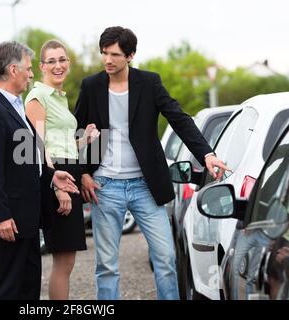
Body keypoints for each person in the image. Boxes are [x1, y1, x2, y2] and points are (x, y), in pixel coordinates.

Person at [74, 26, 229, 300]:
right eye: (104, 53)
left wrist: (206, 154)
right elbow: (76, 132)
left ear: (131, 55)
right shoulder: (91, 86)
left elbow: (179, 118)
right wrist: (83, 174)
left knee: (166, 259)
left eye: (115, 54)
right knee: (106, 266)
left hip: (146, 186)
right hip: (105, 186)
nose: (108, 60)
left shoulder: (149, 83)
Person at [0, 41, 79, 300]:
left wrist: (53, 176)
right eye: (29, 69)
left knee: (28, 289)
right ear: (12, 70)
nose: (32, 74)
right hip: (9, 221)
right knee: (6, 291)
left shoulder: (15, 106)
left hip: (27, 219)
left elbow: (26, 158)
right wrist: (1, 217)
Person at [24, 39, 100, 300]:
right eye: (52, 61)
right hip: (57, 178)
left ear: (69, 62)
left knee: (67, 261)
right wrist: (56, 186)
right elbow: (37, 146)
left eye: (62, 59)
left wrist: (84, 140)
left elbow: (63, 144)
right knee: (63, 262)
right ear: (42, 66)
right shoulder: (38, 97)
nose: (58, 65)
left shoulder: (59, 98)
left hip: (68, 171)